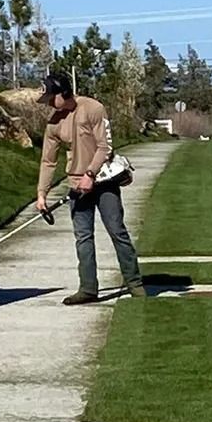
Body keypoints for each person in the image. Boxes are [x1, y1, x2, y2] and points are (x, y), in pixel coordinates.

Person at [35, 75, 145, 305]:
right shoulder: (54, 123)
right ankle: (88, 288)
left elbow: (105, 146)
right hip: (76, 185)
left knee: (117, 230)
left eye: (50, 98)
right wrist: (41, 193)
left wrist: (91, 173)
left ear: (63, 93)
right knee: (83, 237)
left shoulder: (93, 108)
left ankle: (135, 284)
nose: (47, 103)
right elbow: (48, 161)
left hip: (104, 180)